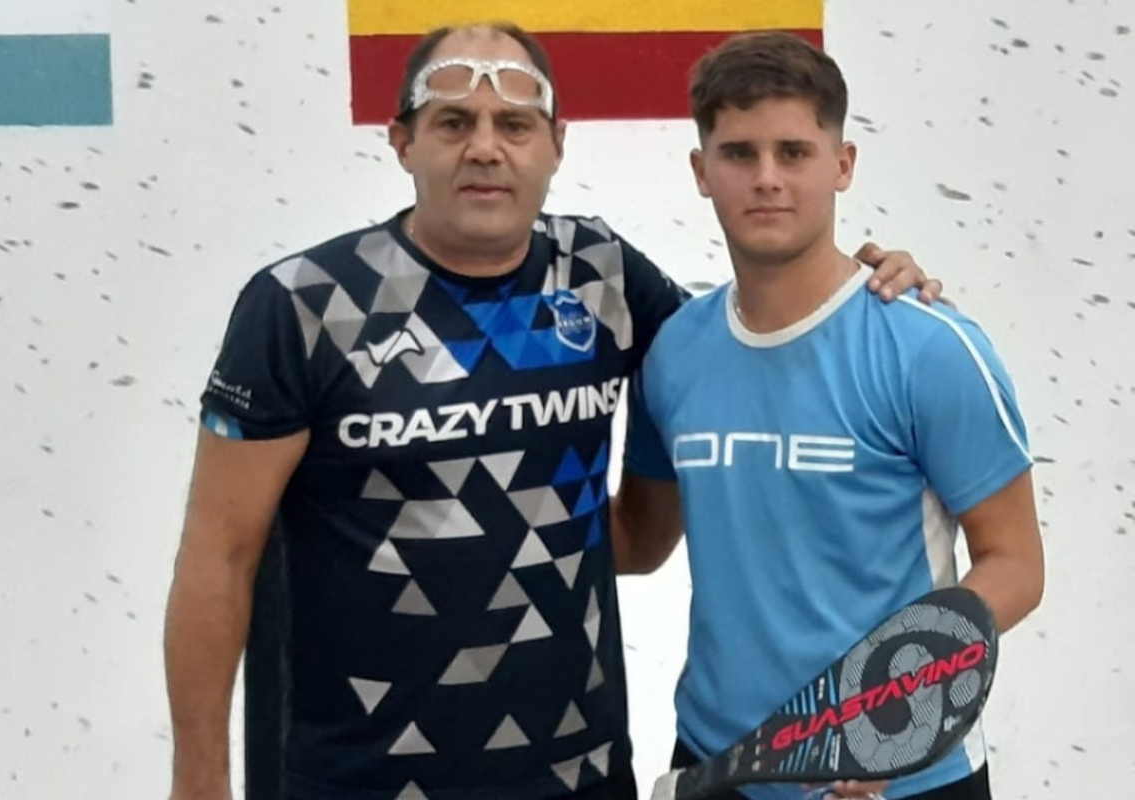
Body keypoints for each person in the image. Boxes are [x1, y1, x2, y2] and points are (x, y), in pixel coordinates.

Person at [163, 22, 944, 800]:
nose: (485, 148)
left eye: (514, 125)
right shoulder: (303, 305)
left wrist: (865, 294)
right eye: (453, 123)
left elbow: (749, 341)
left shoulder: (599, 275)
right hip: (354, 781)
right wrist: (198, 780)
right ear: (402, 142)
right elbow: (218, 560)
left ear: (556, 144)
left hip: (580, 776)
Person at [614, 31, 1045, 800]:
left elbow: (1016, 565)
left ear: (842, 165)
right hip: (717, 761)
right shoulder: (674, 351)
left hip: (902, 779)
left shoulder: (930, 349)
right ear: (701, 172)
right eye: (739, 153)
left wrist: (888, 713)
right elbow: (640, 542)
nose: (767, 178)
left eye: (794, 152)